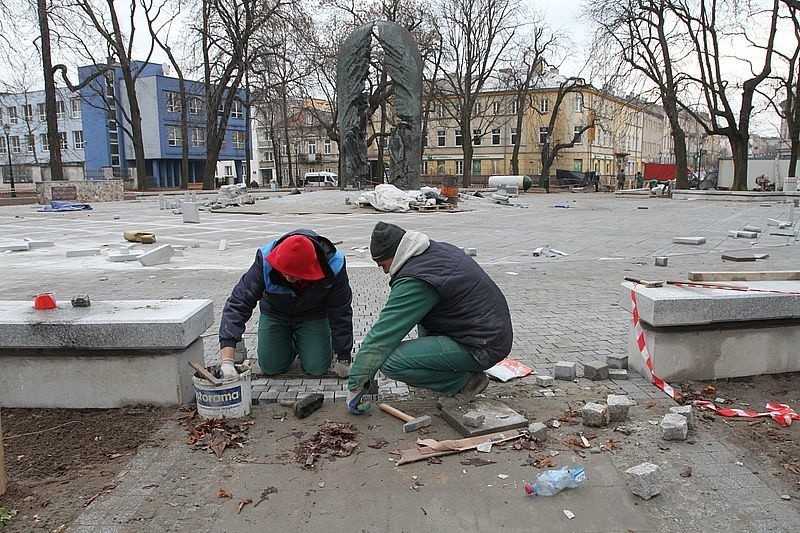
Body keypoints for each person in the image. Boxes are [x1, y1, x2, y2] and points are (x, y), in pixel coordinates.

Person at [346, 222, 514, 414]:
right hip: (484, 331)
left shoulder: (417, 279)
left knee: (390, 362)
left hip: (481, 345)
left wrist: (356, 383)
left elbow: (383, 336)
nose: (384, 271)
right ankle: (449, 371)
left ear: (396, 254)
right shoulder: (432, 251)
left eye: (383, 265)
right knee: (420, 322)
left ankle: (467, 382)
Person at [218, 230, 353, 380]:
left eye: (295, 275)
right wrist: (227, 361)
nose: (288, 277)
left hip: (313, 314)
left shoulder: (334, 265)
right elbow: (238, 304)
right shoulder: (265, 261)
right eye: (284, 272)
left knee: (317, 368)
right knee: (271, 367)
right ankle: (290, 343)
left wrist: (344, 357)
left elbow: (341, 311)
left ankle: (309, 341)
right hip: (275, 313)